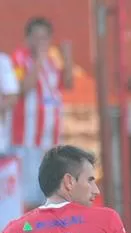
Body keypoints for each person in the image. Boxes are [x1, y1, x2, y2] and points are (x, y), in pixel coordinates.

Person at [12, 17, 74, 209]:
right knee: (28, 197)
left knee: (50, 195)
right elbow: (22, 88)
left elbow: (68, 84)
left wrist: (68, 58)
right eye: (37, 37)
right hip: (27, 140)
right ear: (28, 39)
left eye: (45, 38)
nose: (41, 42)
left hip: (51, 141)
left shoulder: (52, 61)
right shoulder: (19, 59)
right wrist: (37, 60)